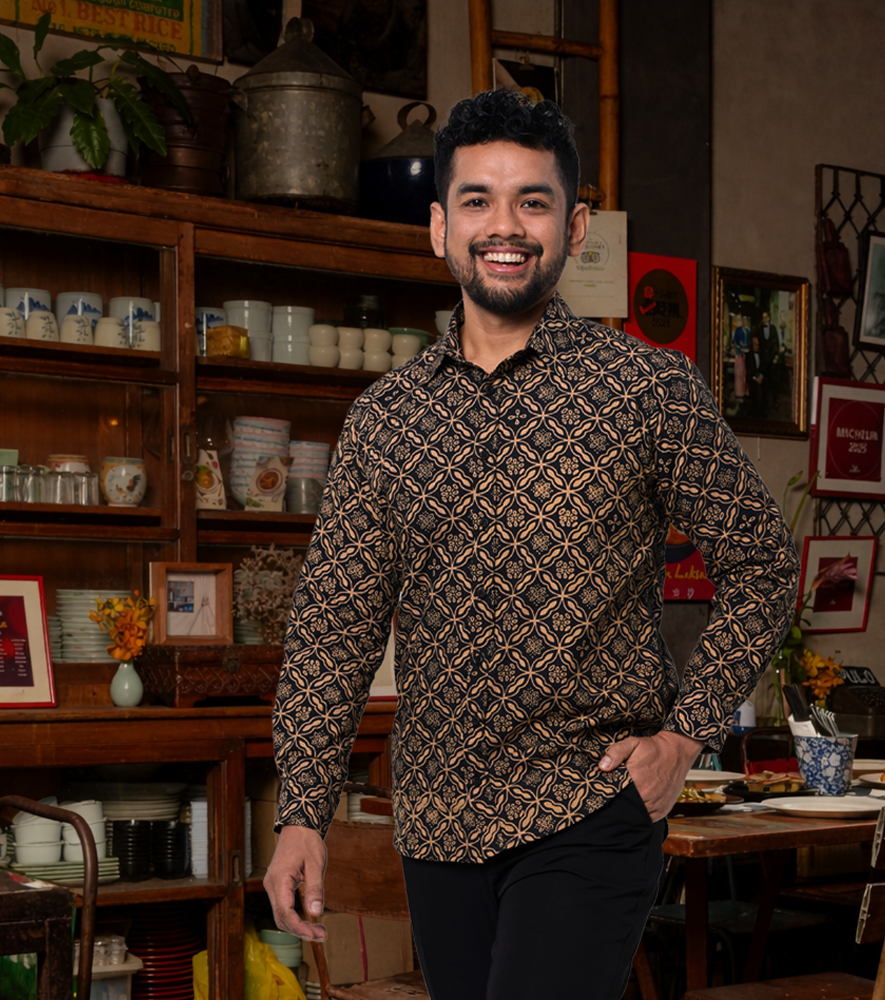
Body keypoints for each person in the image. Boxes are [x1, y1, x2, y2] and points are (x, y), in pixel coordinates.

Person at [264, 88, 798, 1000]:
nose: (502, 226)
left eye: (532, 201)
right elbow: (333, 626)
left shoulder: (646, 390)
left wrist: (685, 734)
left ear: (575, 226)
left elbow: (762, 562)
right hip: (436, 824)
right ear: (438, 227)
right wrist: (302, 813)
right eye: (477, 200)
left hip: (587, 807)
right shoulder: (383, 421)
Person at [755, 310, 780, 414]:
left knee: (773, 383)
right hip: (763, 360)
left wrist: (775, 357)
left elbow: (777, 344)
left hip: (771, 360)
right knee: (764, 383)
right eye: (763, 317)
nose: (764, 319)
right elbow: (757, 344)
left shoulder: (773, 329)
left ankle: (775, 403)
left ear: (769, 318)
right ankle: (764, 406)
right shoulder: (759, 329)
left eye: (766, 317)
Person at [731, 313, 750, 401]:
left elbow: (749, 344)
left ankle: (746, 392)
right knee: (738, 374)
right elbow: (734, 343)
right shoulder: (737, 330)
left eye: (746, 320)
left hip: (746, 355)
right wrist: (741, 349)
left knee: (745, 374)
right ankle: (739, 393)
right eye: (743, 320)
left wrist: (747, 349)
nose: (744, 322)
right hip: (739, 355)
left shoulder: (748, 331)